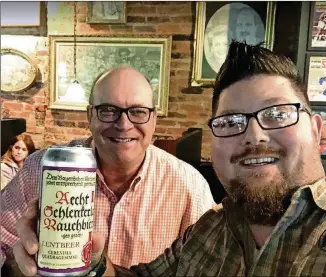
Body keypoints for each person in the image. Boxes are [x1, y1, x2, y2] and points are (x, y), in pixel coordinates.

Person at [74, 41, 326, 276]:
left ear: (316, 130)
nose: (254, 135)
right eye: (231, 121)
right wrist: (90, 260)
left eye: (277, 114)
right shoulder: (208, 229)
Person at [1, 66, 215, 274]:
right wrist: (18, 268)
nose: (123, 124)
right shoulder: (38, 169)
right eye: (108, 110)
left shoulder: (190, 186)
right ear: (90, 116)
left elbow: (204, 267)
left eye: (138, 112)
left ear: (154, 119)